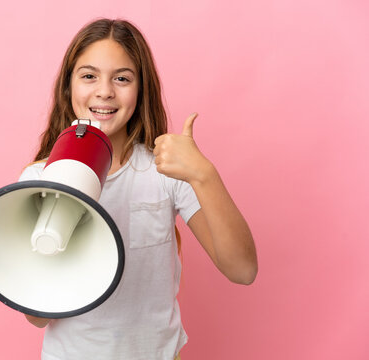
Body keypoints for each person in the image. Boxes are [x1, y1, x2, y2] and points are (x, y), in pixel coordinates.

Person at [18, 18, 258, 360]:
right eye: (89, 76)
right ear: (68, 87)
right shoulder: (39, 181)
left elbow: (242, 270)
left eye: (122, 78)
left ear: (140, 89)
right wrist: (63, 219)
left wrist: (203, 174)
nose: (104, 91)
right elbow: (36, 317)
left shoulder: (166, 171)